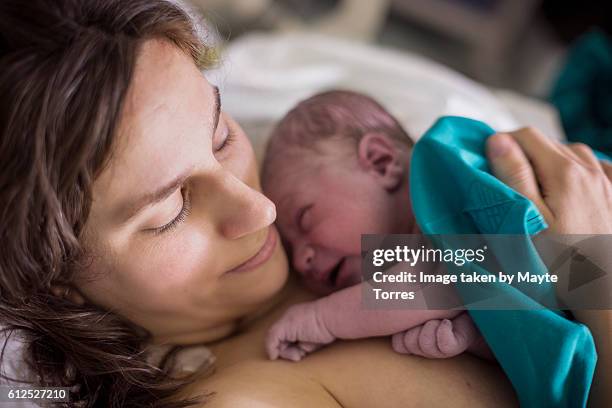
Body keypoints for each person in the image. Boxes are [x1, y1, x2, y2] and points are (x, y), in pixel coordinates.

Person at [0, 1, 608, 407]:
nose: (260, 210)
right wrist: (596, 270)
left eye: (220, 137)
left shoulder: (312, 163)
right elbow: (452, 281)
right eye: (169, 213)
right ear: (53, 281)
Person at [261, 90, 489, 361]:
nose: (300, 261)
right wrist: (474, 336)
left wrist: (322, 318)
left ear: (381, 163)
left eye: (304, 219)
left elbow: (445, 276)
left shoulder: (449, 181)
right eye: (290, 247)